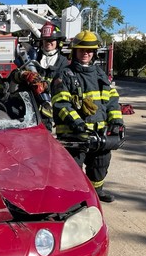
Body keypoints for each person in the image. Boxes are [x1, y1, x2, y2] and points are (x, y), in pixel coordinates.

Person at [51, 30, 124, 203]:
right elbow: (61, 103)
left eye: (90, 50)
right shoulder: (64, 75)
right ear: (75, 51)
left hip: (99, 133)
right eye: (82, 50)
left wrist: (116, 121)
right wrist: (77, 124)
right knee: (72, 168)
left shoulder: (100, 75)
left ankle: (96, 191)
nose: (86, 53)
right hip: (73, 134)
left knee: (100, 164)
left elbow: (112, 100)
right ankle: (74, 197)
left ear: (95, 53)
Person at [11, 22, 69, 131]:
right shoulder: (33, 58)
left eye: (51, 40)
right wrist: (24, 75)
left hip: (49, 112)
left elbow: (65, 86)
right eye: (46, 40)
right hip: (27, 109)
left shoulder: (64, 62)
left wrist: (46, 86)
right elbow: (13, 77)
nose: (48, 43)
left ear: (58, 42)